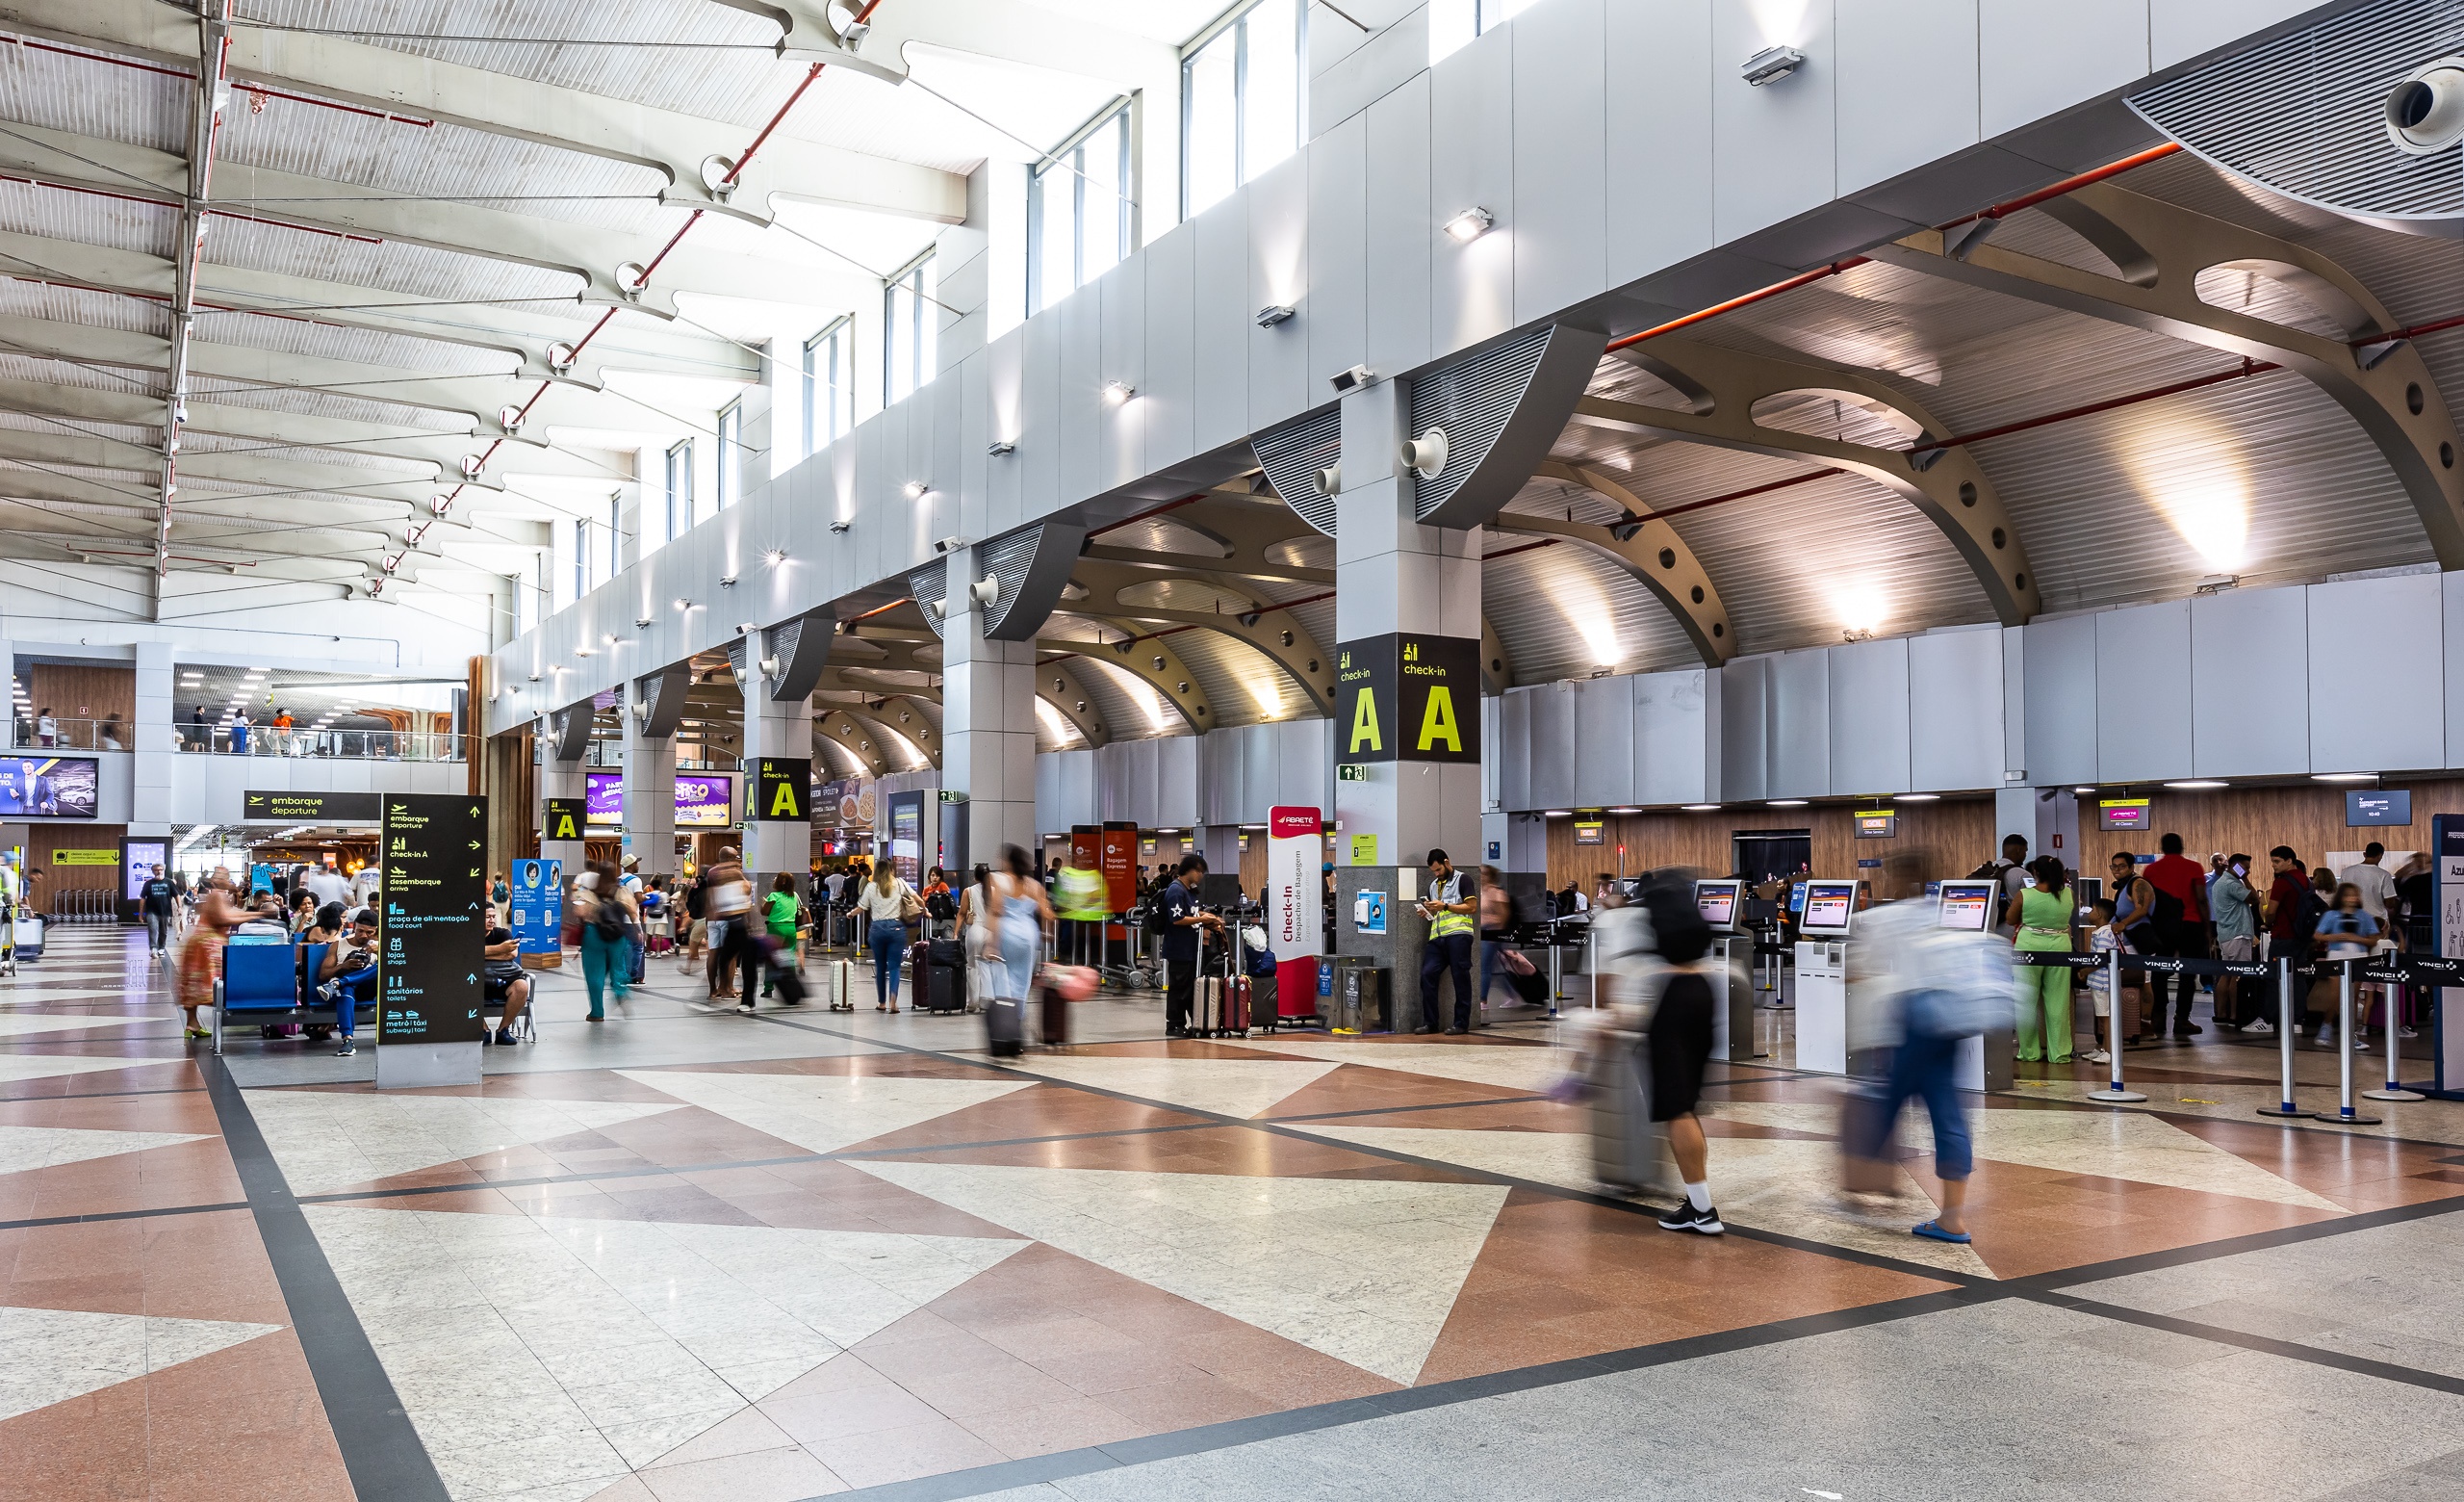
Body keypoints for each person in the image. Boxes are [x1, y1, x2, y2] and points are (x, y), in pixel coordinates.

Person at [1845, 850, 1999, 1245]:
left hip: (1914, 1021)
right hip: (1948, 1022)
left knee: (1884, 1101)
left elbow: (1860, 970)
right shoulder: (1941, 914)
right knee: (1947, 1112)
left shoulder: (1887, 918)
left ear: (1896, 879)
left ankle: (1863, 1181)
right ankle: (1952, 1216)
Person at [1639, 882, 1721, 1235]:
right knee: (1686, 1102)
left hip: (1675, 999)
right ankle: (1696, 1199)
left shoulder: (1657, 914)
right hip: (1701, 991)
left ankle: (1703, 1211)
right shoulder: (1689, 915)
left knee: (1676, 1108)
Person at [2007, 854, 2075, 1065]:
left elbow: (2010, 919)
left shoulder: (2025, 894)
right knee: (2058, 1001)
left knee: (2026, 1002)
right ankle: (2060, 1053)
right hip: (2060, 946)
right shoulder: (2068, 894)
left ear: (2036, 873)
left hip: (2029, 947)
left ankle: (2029, 1052)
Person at [2143, 833, 2211, 1039]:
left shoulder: (2151, 870)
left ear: (2162, 848)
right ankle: (2182, 1019)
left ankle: (2158, 1017)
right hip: (2190, 924)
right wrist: (2207, 927)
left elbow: (2149, 899)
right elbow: (2200, 899)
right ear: (2181, 847)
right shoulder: (2194, 867)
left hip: (2162, 926)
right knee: (2188, 974)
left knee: (2159, 972)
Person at [1155, 854, 1219, 1037]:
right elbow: (1176, 919)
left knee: (1190, 988)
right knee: (1178, 988)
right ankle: (1174, 1024)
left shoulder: (1189, 890)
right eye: (1200, 872)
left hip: (1191, 949)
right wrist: (1201, 919)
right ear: (1191, 870)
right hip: (1178, 949)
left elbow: (1190, 912)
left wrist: (1208, 917)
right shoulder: (1176, 890)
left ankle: (1195, 1022)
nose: (1201, 876)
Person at [1417, 848, 1478, 1035]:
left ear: (1446, 862)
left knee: (1460, 978)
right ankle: (1431, 1023)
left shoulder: (1463, 879)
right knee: (1427, 975)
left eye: (1438, 869)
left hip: (1459, 935)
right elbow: (1438, 911)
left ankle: (1461, 1023)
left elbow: (1472, 907)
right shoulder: (1433, 885)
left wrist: (1444, 905)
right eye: (1433, 871)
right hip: (1437, 937)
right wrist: (1428, 912)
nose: (1436, 874)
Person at [175, 874, 244, 1041]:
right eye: (224, 876)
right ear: (214, 881)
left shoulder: (221, 894)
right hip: (207, 946)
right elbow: (223, 918)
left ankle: (192, 1023)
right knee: (212, 982)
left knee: (194, 982)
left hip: (199, 944)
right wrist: (258, 915)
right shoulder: (218, 895)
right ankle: (224, 1017)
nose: (228, 879)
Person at [2315, 880, 2378, 1050]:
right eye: (2348, 895)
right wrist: (2336, 937)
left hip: (2358, 956)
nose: (2351, 898)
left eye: (2354, 895)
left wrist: (2358, 939)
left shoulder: (2364, 916)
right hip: (2337, 956)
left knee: (2353, 997)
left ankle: (2350, 1035)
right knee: (2335, 996)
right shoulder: (2331, 915)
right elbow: (2318, 935)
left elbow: (2374, 937)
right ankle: (2326, 1027)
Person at [571, 865, 636, 1021]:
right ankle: (620, 991)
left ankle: (597, 1012)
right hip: (617, 934)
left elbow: (579, 911)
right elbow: (633, 911)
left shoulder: (588, 892)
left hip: (594, 934)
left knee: (594, 974)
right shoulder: (622, 891)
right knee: (618, 966)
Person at [993, 843, 1054, 1008]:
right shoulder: (1033, 885)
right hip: (1028, 934)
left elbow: (995, 912)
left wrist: (991, 945)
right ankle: (1018, 1015)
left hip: (1006, 933)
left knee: (1004, 977)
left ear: (1009, 862)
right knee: (1023, 979)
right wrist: (1046, 932)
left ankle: (1006, 1014)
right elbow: (1048, 914)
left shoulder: (1000, 880)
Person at [854, 859, 918, 1010]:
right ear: (891, 870)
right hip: (896, 929)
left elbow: (861, 907)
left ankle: (881, 1002)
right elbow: (917, 899)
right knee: (895, 966)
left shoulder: (871, 887)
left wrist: (851, 914)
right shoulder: (899, 883)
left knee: (881, 967)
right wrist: (925, 911)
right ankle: (893, 1001)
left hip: (877, 929)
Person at [2210, 854, 2261, 1030]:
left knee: (2226, 973)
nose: (2247, 870)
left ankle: (2221, 1014)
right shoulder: (2232, 884)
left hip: (2225, 934)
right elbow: (2254, 899)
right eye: (2244, 867)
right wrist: (2245, 878)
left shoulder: (2219, 883)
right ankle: (2234, 1015)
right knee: (2237, 975)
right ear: (2235, 866)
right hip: (2238, 933)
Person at [701, 846, 752, 1002]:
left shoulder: (711, 872)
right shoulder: (734, 872)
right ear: (729, 858)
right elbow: (746, 890)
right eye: (736, 857)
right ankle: (727, 989)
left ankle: (713, 990)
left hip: (712, 918)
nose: (738, 860)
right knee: (731, 955)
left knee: (714, 953)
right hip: (728, 917)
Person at [2082, 899, 2123, 1066]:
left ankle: (2109, 1052)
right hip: (2099, 982)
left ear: (2099, 913)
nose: (2089, 913)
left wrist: (2085, 971)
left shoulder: (2104, 934)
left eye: (2092, 910)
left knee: (2106, 1018)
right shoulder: (2101, 932)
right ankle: (2104, 1048)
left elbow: (2101, 958)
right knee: (2103, 1016)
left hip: (2103, 983)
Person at [482, 906, 530, 1044]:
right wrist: (499, 949)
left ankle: (503, 1030)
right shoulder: (468, 935)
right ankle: (483, 1030)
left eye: (493, 916)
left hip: (504, 981)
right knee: (460, 985)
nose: (492, 920)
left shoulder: (503, 934)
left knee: (521, 986)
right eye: (487, 917)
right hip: (478, 982)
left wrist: (482, 955)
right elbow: (465, 951)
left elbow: (512, 954)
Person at [960, 862, 999, 1008]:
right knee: (988, 965)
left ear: (975, 877)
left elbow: (961, 913)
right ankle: (986, 1001)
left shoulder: (968, 891)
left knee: (972, 966)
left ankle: (972, 1002)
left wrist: (955, 932)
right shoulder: (995, 891)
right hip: (990, 931)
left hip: (975, 930)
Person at [757, 873, 801, 1002]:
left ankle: (768, 989)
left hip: (776, 928)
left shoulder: (773, 896)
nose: (774, 880)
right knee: (789, 956)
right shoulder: (795, 895)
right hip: (791, 928)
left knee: (772, 957)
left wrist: (763, 903)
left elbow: (764, 912)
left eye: (776, 878)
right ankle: (792, 985)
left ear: (781, 882)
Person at [1477, 864, 1514, 1008]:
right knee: (1493, 967)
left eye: (1484, 874)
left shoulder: (1496, 893)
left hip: (1492, 932)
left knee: (1485, 967)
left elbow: (1504, 915)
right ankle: (1511, 993)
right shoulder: (1481, 892)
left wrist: (1496, 934)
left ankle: (1483, 1000)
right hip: (1482, 931)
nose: (1481, 877)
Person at [138, 863, 176, 956]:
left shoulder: (169, 882)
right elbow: (143, 898)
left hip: (165, 911)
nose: (158, 871)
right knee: (152, 929)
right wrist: (141, 913)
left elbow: (176, 895)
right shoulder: (148, 884)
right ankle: (153, 948)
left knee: (163, 930)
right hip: (151, 911)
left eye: (160, 869)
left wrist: (179, 907)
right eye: (156, 870)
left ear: (163, 870)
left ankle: (161, 947)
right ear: (152, 871)